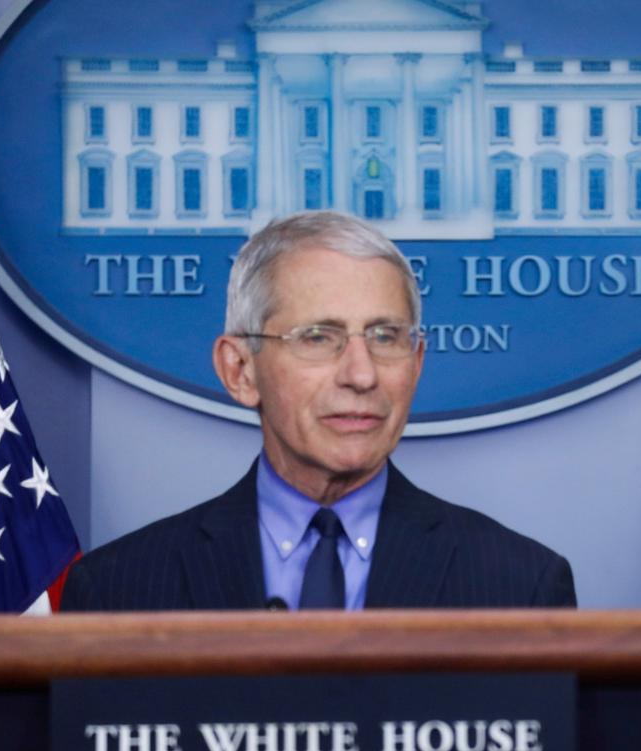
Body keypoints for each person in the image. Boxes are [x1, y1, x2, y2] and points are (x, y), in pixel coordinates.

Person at [62, 211, 575, 611]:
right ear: (240, 370)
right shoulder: (118, 590)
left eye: (385, 337)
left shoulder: (521, 584)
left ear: (416, 364)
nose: (362, 374)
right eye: (318, 337)